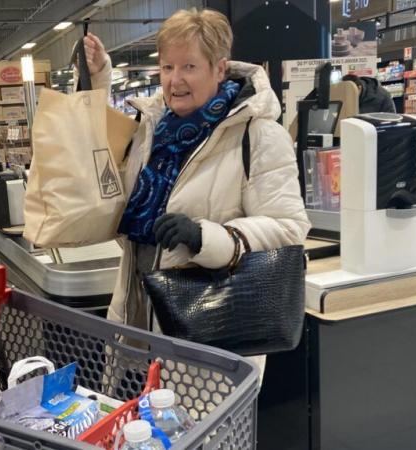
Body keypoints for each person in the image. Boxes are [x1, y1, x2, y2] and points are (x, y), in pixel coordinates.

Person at [79, 8, 310, 376]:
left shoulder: (258, 135)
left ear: (219, 69)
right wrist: (99, 80)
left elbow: (290, 228)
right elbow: (112, 189)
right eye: (167, 67)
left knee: (204, 432)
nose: (175, 80)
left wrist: (206, 236)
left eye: (189, 67)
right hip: (137, 324)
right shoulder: (151, 131)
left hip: (208, 337)